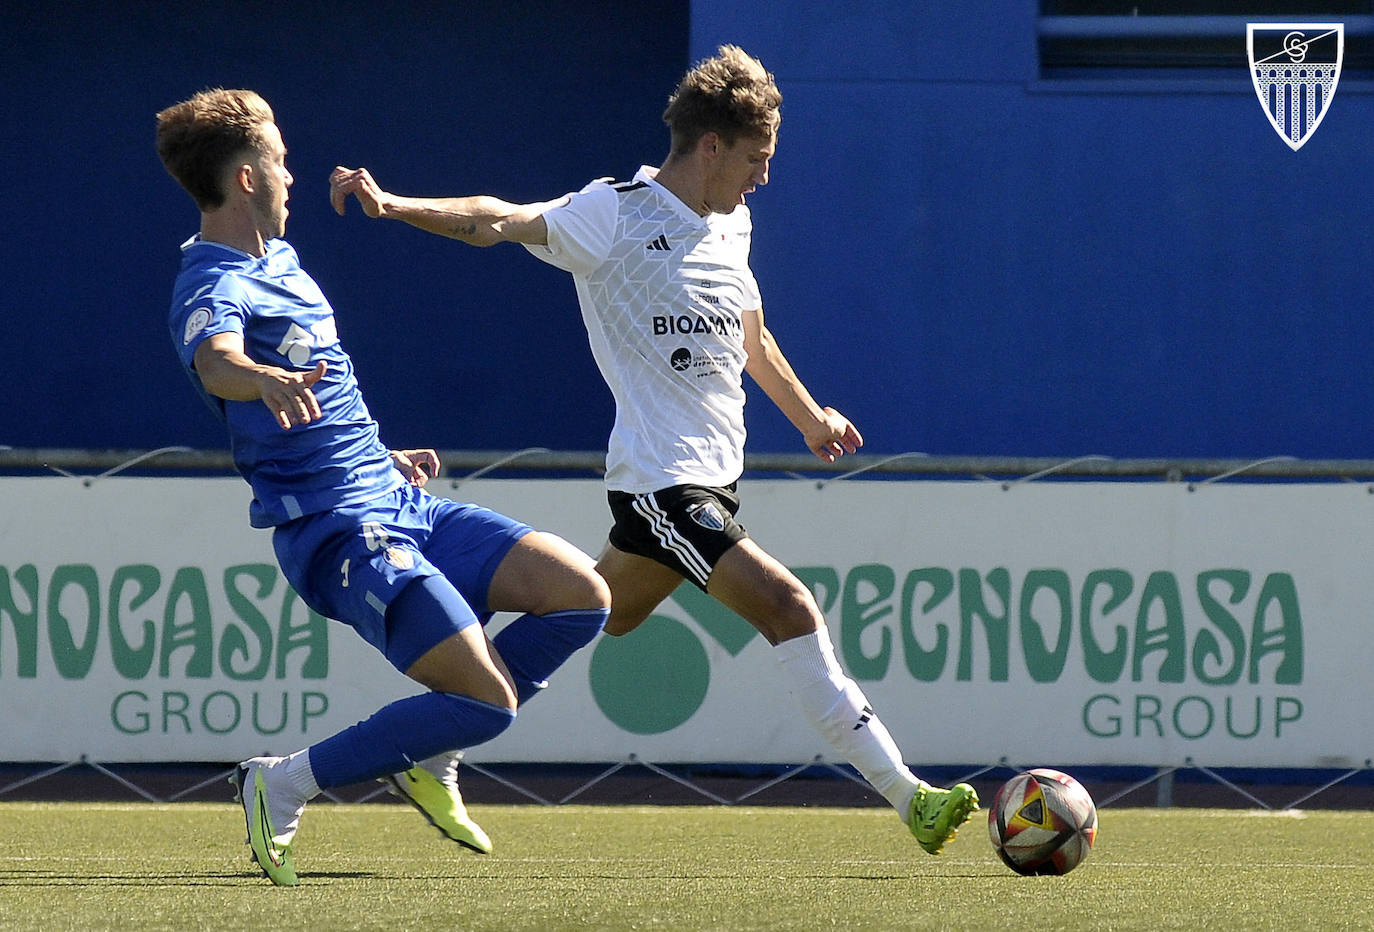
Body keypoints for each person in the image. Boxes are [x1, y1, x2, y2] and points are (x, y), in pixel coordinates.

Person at [328, 46, 978, 853]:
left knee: (597, 612)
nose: (763, 178)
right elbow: (497, 219)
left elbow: (751, 335)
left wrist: (810, 417)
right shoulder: (616, 212)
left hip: (712, 483)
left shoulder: (732, 225)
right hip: (663, 490)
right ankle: (909, 796)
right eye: (756, 159)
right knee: (788, 607)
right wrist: (392, 204)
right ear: (711, 146)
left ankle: (435, 743)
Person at [155, 88, 610, 886]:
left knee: (582, 596)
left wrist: (378, 453)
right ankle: (282, 781)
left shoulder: (282, 262)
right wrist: (256, 376)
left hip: (397, 501)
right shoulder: (210, 279)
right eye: (280, 159)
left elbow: (324, 394)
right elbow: (217, 359)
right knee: (491, 701)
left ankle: (431, 748)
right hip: (338, 533)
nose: (292, 174)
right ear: (248, 178)